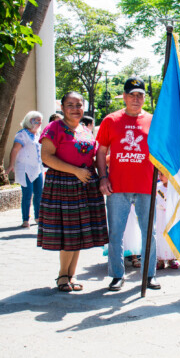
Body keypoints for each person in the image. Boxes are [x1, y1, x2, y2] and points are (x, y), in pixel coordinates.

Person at [37, 92, 108, 292]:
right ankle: (62, 275)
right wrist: (75, 171)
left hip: (85, 185)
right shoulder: (54, 128)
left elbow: (93, 159)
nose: (75, 109)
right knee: (68, 234)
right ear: (62, 107)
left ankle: (71, 274)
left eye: (79, 105)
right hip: (63, 185)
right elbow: (47, 157)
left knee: (77, 234)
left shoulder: (85, 130)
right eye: (70, 105)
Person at [96, 76, 160, 291]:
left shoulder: (153, 120)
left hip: (146, 186)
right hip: (117, 186)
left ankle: (149, 275)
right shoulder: (111, 120)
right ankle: (116, 275)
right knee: (116, 232)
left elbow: (160, 150)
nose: (135, 99)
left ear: (144, 97)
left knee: (148, 232)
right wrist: (102, 177)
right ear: (124, 96)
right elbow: (102, 150)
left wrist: (162, 172)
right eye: (131, 95)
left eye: (140, 95)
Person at [6, 111, 44, 228]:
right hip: (26, 168)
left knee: (39, 193)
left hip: (37, 168)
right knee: (27, 194)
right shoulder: (22, 134)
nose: (38, 123)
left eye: (39, 120)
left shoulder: (38, 135)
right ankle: (25, 219)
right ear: (29, 120)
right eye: (35, 120)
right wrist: (11, 165)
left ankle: (38, 217)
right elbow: (15, 150)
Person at [156, 171, 180, 270]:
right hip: (160, 215)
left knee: (171, 236)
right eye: (159, 174)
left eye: (162, 174)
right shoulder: (157, 187)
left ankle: (171, 259)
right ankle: (160, 260)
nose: (160, 176)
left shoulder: (175, 187)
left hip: (171, 215)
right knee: (160, 235)